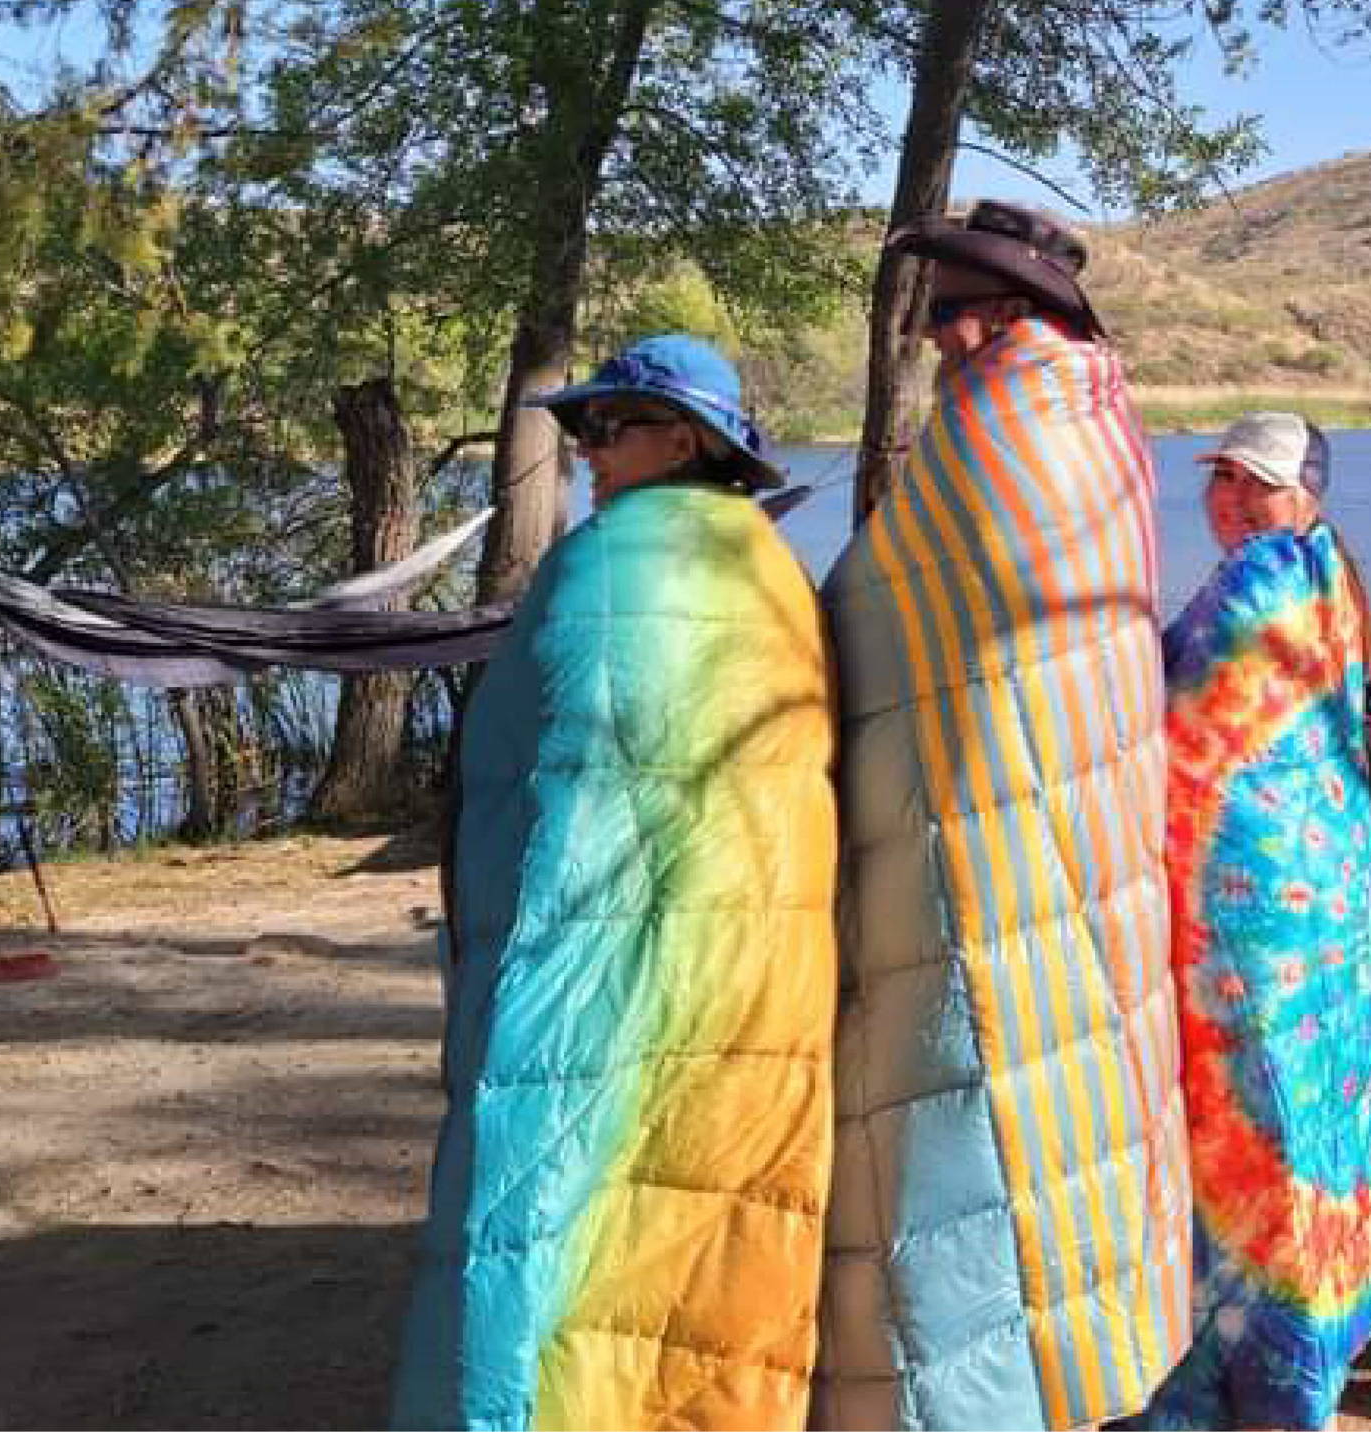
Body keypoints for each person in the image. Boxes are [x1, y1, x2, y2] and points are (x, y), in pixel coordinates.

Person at [392, 335, 837, 1430]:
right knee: (703, 1210)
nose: (586, 450)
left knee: (557, 1202)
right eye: (581, 429)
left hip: (617, 956)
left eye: (608, 426)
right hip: (749, 966)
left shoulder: (614, 559)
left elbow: (573, 786)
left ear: (684, 438)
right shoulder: (767, 562)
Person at [816, 201, 1191, 1430]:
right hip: (1086, 837)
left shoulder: (1003, 424)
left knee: (974, 1092)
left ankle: (983, 1397)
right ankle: (1094, 1370)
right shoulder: (1105, 418)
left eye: (942, 318)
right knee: (1084, 1095)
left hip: (996, 844)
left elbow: (886, 592)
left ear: (992, 319)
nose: (931, 340)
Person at [1132, 413, 1371, 1431]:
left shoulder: (1257, 582)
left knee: (1246, 1127)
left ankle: (1240, 1379)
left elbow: (1159, 706)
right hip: (1335, 894)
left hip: (1260, 915)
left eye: (1260, 484)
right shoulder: (1334, 572)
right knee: (1318, 1120)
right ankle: (1315, 1343)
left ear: (1308, 494)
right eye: (1224, 479)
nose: (1234, 500)